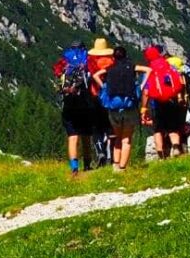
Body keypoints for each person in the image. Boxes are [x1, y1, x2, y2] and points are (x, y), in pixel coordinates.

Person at [93, 46, 148, 171]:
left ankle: (115, 165)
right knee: (126, 139)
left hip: (114, 109)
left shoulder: (110, 68)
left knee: (118, 137)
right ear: (125, 55)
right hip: (129, 107)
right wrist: (141, 86)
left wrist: (104, 87)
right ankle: (123, 167)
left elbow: (96, 75)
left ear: (114, 57)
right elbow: (148, 70)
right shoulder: (131, 67)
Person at [52, 41, 97, 178]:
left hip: (68, 107)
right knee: (86, 136)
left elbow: (57, 77)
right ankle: (87, 164)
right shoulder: (86, 61)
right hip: (84, 106)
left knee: (72, 137)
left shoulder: (64, 63)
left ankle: (74, 168)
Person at [140, 45, 190, 160]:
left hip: (157, 104)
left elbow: (146, 92)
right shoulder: (169, 66)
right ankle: (176, 147)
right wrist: (180, 97)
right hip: (172, 101)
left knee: (158, 129)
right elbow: (180, 82)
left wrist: (144, 108)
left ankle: (161, 155)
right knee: (173, 127)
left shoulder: (149, 70)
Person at [85, 37, 117, 166]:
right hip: (110, 97)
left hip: (94, 97)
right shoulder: (112, 61)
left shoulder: (91, 62)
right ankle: (111, 154)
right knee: (110, 126)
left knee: (96, 127)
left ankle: (100, 151)